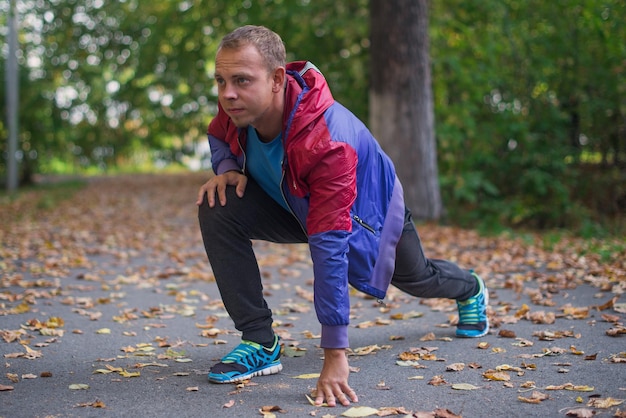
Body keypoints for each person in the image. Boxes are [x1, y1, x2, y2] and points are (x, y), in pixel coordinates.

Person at [196, 25, 489, 407]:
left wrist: (335, 354)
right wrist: (227, 167)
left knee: (417, 277)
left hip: (369, 213)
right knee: (217, 203)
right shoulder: (237, 106)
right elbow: (217, 132)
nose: (227, 93)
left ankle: (470, 287)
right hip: (294, 204)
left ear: (277, 80)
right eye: (220, 81)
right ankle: (259, 341)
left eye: (240, 80)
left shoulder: (328, 142)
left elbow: (329, 248)